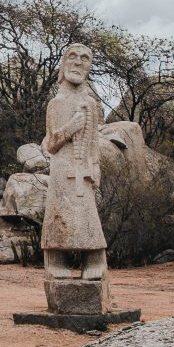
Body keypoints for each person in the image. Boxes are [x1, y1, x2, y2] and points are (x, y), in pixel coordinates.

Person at [40, 43, 107, 280]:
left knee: (88, 213)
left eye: (85, 58)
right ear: (64, 63)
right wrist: (69, 129)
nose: (78, 62)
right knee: (60, 212)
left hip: (84, 168)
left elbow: (94, 142)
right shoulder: (56, 103)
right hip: (62, 168)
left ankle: (95, 258)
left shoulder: (91, 104)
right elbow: (51, 144)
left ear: (89, 67)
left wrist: (96, 167)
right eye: (73, 56)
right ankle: (56, 258)